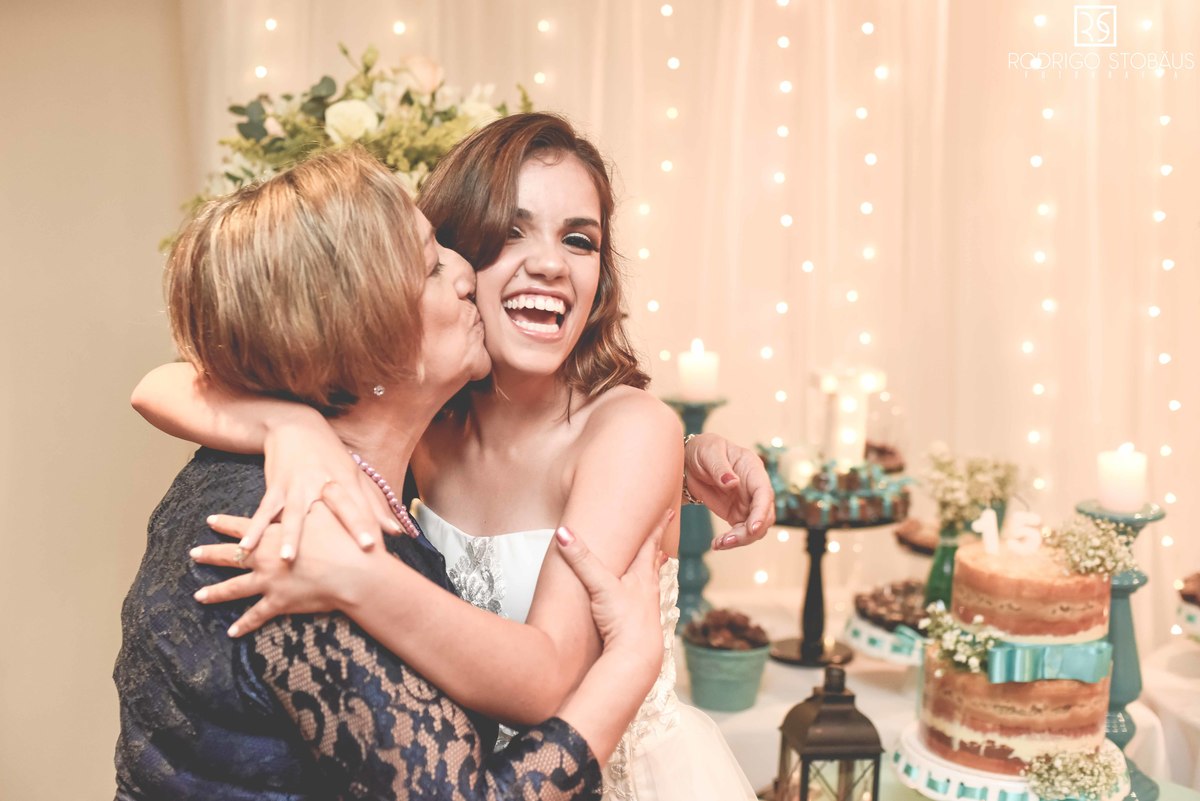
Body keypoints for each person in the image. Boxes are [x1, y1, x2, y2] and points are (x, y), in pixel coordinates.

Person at [133, 114, 770, 800]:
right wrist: (289, 425)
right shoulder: (427, 423)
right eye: (510, 232)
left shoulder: (629, 429)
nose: (550, 263)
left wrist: (359, 576)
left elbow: (548, 677)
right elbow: (163, 384)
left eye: (579, 240)